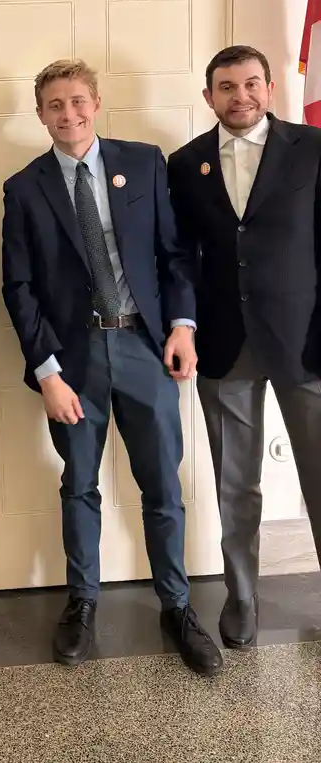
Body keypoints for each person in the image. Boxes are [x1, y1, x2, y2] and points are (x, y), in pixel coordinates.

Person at [1, 59, 222, 677]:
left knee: (162, 486)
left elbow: (175, 254)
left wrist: (183, 326)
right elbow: (19, 288)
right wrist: (46, 371)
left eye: (77, 102)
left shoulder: (145, 163)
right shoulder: (24, 188)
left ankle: (177, 606)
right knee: (79, 484)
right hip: (71, 363)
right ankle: (82, 601)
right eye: (54, 105)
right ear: (40, 113)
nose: (67, 115)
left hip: (144, 350)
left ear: (95, 104)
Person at [168, 45, 321, 650]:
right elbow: (178, 254)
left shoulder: (312, 150)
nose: (241, 96)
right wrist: (183, 324)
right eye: (227, 87)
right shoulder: (185, 164)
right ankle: (243, 596)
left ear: (270, 87)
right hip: (224, 344)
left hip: (305, 342)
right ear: (209, 97)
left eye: (251, 83)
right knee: (236, 481)